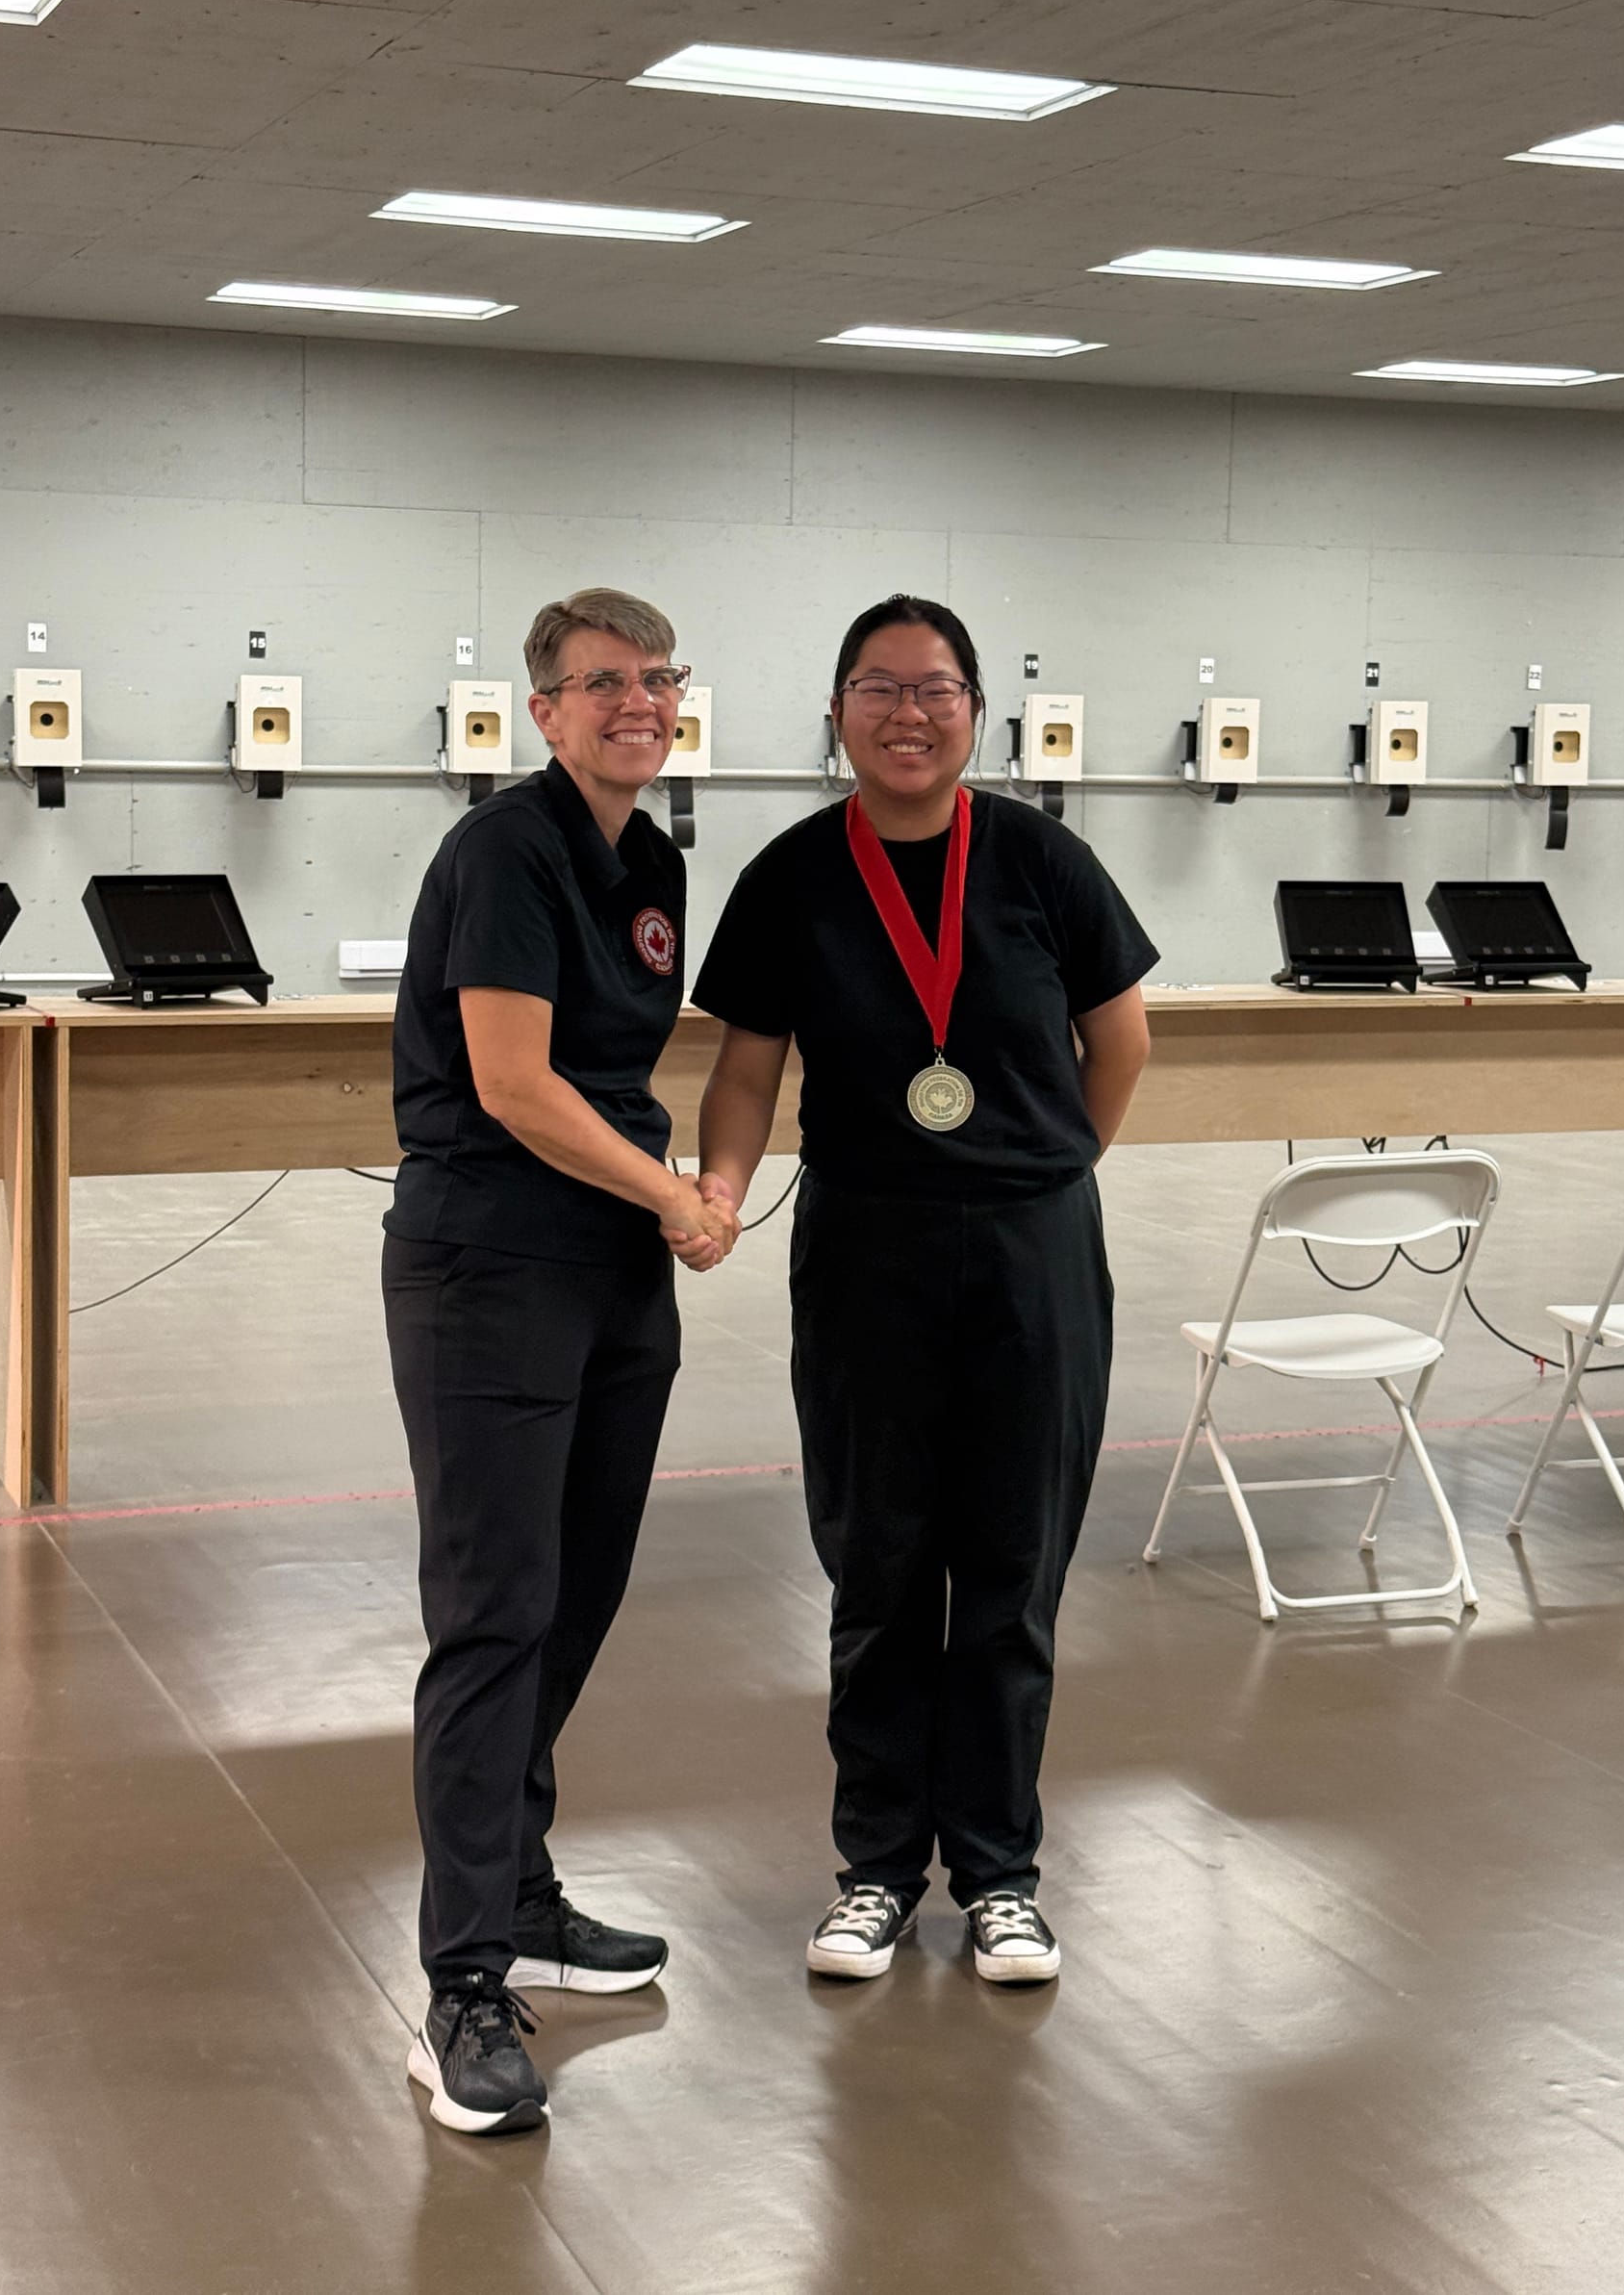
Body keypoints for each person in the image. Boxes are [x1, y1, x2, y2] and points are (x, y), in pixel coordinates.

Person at [692, 594, 1155, 1986]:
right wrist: (717, 1187)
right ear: (836, 711)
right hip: (866, 1249)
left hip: (1031, 1251)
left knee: (1013, 1571)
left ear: (976, 713)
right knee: (880, 1566)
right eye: (880, 688)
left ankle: (1002, 1876)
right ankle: (878, 1872)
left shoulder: (1041, 860)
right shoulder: (790, 874)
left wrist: (1051, 1162)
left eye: (937, 689)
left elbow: (1118, 1038)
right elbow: (747, 1065)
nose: (909, 713)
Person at [382, 586, 737, 2136]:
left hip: (609, 1271)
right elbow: (518, 1084)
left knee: (576, 1594)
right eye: (602, 684)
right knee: (492, 1613)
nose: (636, 704)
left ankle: (520, 1893)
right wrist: (676, 1192)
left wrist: (680, 1194)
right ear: (542, 709)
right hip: (491, 1267)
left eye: (656, 680)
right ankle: (462, 1983)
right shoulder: (504, 852)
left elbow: (628, 1064)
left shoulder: (651, 860)